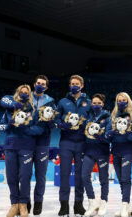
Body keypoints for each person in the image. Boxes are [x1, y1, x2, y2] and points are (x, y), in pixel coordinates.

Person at [0, 74, 56, 216]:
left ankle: (32, 202)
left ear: (46, 87)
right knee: (13, 176)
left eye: (43, 84)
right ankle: (15, 204)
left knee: (31, 175)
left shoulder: (47, 103)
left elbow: (44, 125)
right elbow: (3, 103)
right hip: (13, 144)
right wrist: (9, 123)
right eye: (38, 83)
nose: (40, 85)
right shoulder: (12, 105)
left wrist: (27, 129)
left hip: (32, 144)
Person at [56, 74, 91, 217]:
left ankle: (78, 205)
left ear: (82, 85)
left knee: (80, 175)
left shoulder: (88, 102)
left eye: (77, 83)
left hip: (82, 142)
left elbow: (92, 119)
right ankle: (64, 206)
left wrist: (87, 125)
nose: (74, 86)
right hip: (66, 141)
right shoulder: (63, 101)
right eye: (72, 83)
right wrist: (62, 124)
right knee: (64, 174)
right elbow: (56, 118)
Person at [105, 92, 132, 217]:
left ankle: (124, 205)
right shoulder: (113, 115)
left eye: (123, 100)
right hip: (115, 151)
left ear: (128, 100)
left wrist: (129, 136)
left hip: (128, 151)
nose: (121, 102)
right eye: (119, 100)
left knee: (125, 178)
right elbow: (108, 134)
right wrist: (109, 134)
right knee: (120, 179)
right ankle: (127, 204)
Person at [81, 93, 111, 217]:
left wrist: (100, 136)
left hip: (102, 152)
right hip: (89, 151)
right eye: (94, 103)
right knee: (84, 176)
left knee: (103, 179)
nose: (96, 105)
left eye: (99, 103)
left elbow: (109, 137)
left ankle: (103, 202)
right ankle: (92, 202)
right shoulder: (88, 116)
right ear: (91, 104)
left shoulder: (108, 117)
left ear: (103, 104)